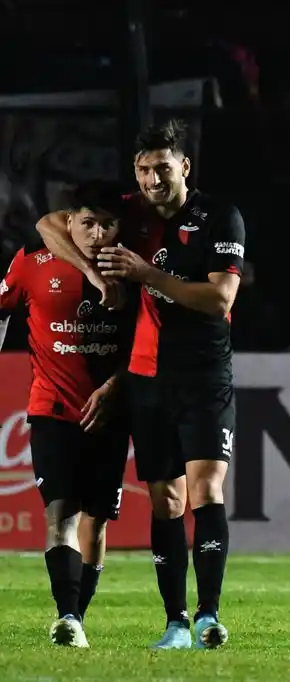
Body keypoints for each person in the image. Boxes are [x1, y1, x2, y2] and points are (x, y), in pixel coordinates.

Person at [35, 120, 245, 650]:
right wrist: (98, 273)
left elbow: (220, 301)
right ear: (136, 172)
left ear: (185, 167)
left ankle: (209, 616)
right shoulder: (130, 212)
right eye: (145, 168)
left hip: (203, 373)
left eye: (164, 167)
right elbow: (48, 224)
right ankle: (175, 621)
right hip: (147, 377)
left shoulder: (219, 216)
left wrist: (145, 273)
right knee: (165, 501)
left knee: (206, 488)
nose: (154, 178)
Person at [0, 182, 133, 647]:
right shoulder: (34, 264)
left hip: (111, 415)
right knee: (60, 513)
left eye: (107, 224)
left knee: (96, 522)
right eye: (87, 222)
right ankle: (68, 616)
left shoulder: (132, 272)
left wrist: (117, 387)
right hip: (52, 409)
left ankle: (79, 613)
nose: (96, 233)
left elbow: (148, 343)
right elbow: (2, 306)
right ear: (69, 222)